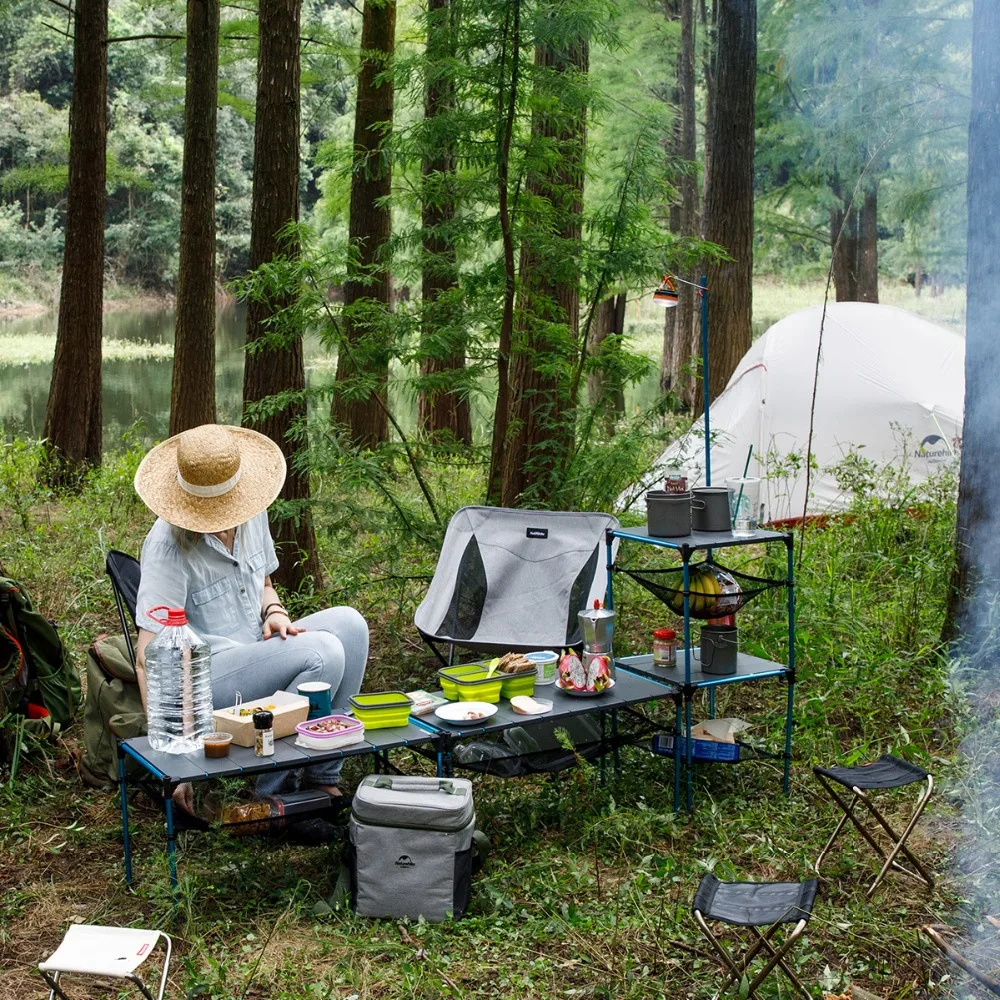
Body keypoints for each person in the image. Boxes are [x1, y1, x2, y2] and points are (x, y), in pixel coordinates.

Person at [132, 423, 368, 815]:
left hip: (254, 653)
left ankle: (321, 776)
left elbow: (264, 581)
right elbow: (147, 658)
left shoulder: (251, 510)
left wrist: (273, 611)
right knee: (323, 652)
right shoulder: (167, 545)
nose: (225, 516)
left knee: (351, 626)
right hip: (209, 683)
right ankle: (273, 787)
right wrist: (176, 761)